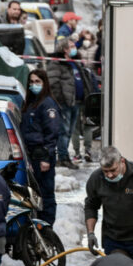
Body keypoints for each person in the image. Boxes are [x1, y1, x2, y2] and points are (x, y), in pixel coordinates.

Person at [20, 67, 62, 224]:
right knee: (35, 193)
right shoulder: (31, 103)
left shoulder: (47, 104)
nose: (33, 84)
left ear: (44, 83)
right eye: (31, 82)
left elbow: (52, 133)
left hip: (42, 156)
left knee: (46, 194)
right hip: (31, 156)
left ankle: (47, 227)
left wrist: (46, 157)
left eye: (37, 81)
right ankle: (38, 225)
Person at [47, 37, 86, 169]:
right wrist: (61, 100)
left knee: (69, 131)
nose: (74, 48)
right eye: (71, 46)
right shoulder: (57, 63)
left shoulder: (74, 62)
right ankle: (63, 158)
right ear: (64, 49)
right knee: (64, 131)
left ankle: (64, 156)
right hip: (65, 103)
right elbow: (53, 83)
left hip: (76, 102)